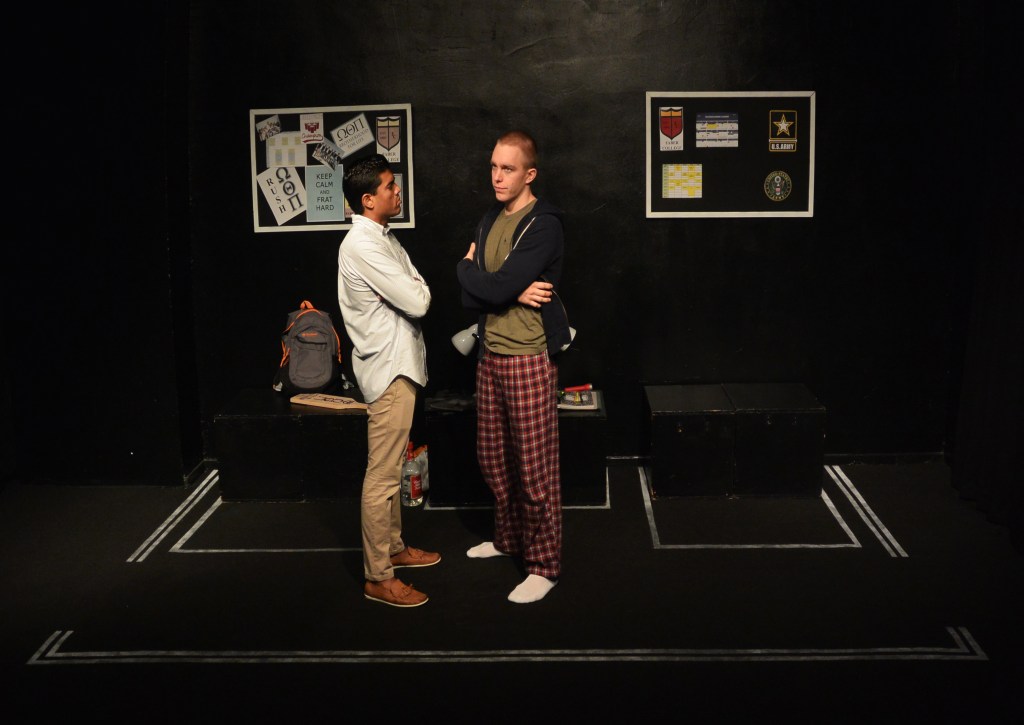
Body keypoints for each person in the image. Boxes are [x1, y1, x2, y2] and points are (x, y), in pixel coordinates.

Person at [456, 130, 571, 604]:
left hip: (527, 358)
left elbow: (489, 283)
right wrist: (502, 287)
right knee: (494, 459)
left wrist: (478, 275)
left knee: (534, 468)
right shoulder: (490, 219)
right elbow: (476, 293)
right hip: (490, 355)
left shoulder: (544, 225)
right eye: (493, 167)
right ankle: (508, 541)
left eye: (508, 169)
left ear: (530, 174)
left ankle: (543, 565)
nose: (497, 177)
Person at [338, 154, 440, 608]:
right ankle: (378, 576)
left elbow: (414, 288)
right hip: (389, 371)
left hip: (401, 367)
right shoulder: (363, 245)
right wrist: (415, 287)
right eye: (389, 187)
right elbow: (419, 300)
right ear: (367, 199)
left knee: (394, 466)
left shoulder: (382, 237)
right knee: (382, 476)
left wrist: (414, 286)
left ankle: (395, 549)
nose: (397, 192)